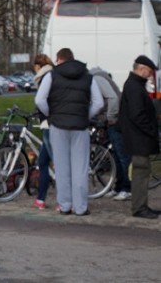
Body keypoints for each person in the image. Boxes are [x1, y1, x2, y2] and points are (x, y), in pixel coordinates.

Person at [34, 48, 103, 216]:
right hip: (80, 126)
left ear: (59, 59)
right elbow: (99, 103)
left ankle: (65, 205)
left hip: (58, 125)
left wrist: (52, 114)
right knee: (80, 168)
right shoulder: (88, 77)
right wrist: (85, 115)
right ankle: (80, 207)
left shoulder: (51, 76)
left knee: (62, 167)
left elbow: (39, 100)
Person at [118, 55, 160, 219]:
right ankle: (139, 207)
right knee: (141, 173)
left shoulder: (133, 85)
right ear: (141, 69)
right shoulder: (134, 87)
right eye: (148, 71)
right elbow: (137, 114)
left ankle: (142, 205)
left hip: (138, 137)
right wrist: (150, 130)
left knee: (142, 173)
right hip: (139, 138)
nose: (149, 75)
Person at [88, 66, 131, 200]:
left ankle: (127, 188)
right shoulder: (98, 77)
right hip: (113, 120)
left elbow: (112, 98)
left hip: (117, 121)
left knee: (122, 155)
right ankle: (118, 187)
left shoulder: (96, 79)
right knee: (116, 155)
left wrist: (111, 117)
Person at [31, 54, 54, 209]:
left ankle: (64, 200)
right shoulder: (50, 74)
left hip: (48, 123)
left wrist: (45, 114)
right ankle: (41, 198)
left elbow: (41, 100)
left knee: (56, 161)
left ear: (38, 66)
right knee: (43, 161)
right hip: (48, 122)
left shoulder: (45, 76)